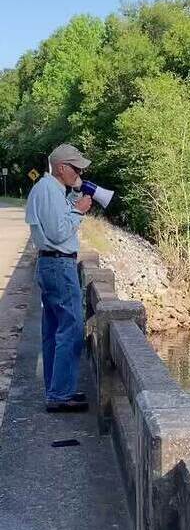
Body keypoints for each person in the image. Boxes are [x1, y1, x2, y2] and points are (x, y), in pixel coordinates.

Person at [25, 144, 93, 412]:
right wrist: (79, 211)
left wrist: (74, 202)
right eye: (75, 168)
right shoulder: (49, 190)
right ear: (62, 167)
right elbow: (57, 232)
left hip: (49, 264)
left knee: (54, 329)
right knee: (71, 329)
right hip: (58, 264)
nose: (79, 172)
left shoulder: (48, 189)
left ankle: (58, 389)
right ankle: (60, 394)